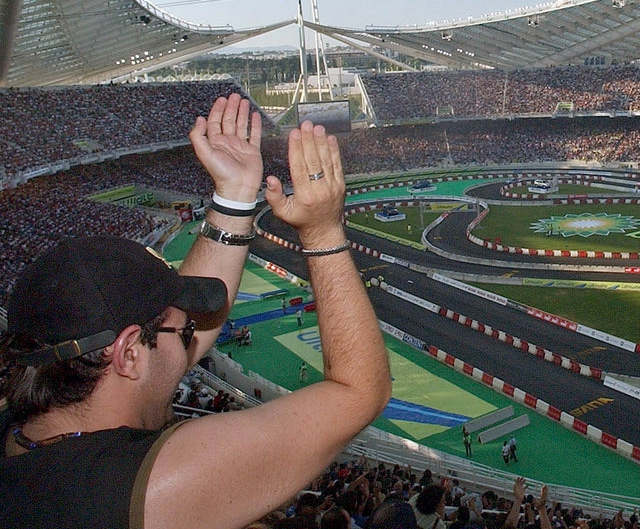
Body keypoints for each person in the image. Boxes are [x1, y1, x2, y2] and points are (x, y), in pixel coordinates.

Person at [0, 93, 392, 529]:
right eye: (183, 331)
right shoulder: (153, 487)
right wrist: (323, 233)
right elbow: (359, 393)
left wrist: (235, 198)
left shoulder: (22, 436)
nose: (194, 334)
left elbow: (164, 350)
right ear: (128, 353)